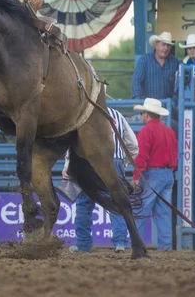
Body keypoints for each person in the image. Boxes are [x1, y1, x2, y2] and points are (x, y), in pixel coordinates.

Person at [64, 106, 139, 253]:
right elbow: (133, 145)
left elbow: (73, 142)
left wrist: (68, 163)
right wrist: (123, 162)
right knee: (117, 202)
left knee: (84, 204)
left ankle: (83, 245)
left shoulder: (82, 112)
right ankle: (120, 243)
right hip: (114, 162)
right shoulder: (117, 115)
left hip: (89, 162)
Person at [132, 98, 178, 250]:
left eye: (142, 113)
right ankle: (165, 247)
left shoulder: (145, 132)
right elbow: (174, 155)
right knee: (163, 212)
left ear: (147, 114)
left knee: (141, 210)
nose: (141, 116)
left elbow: (141, 156)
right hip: (167, 174)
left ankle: (137, 246)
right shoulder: (169, 132)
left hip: (152, 174)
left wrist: (136, 177)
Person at [132, 32, 180, 100]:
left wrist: (174, 103)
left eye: (168, 45)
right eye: (163, 44)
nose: (166, 48)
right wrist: (138, 101)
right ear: (156, 45)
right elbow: (137, 81)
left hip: (169, 107)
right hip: (148, 106)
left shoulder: (175, 63)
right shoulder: (144, 60)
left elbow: (179, 86)